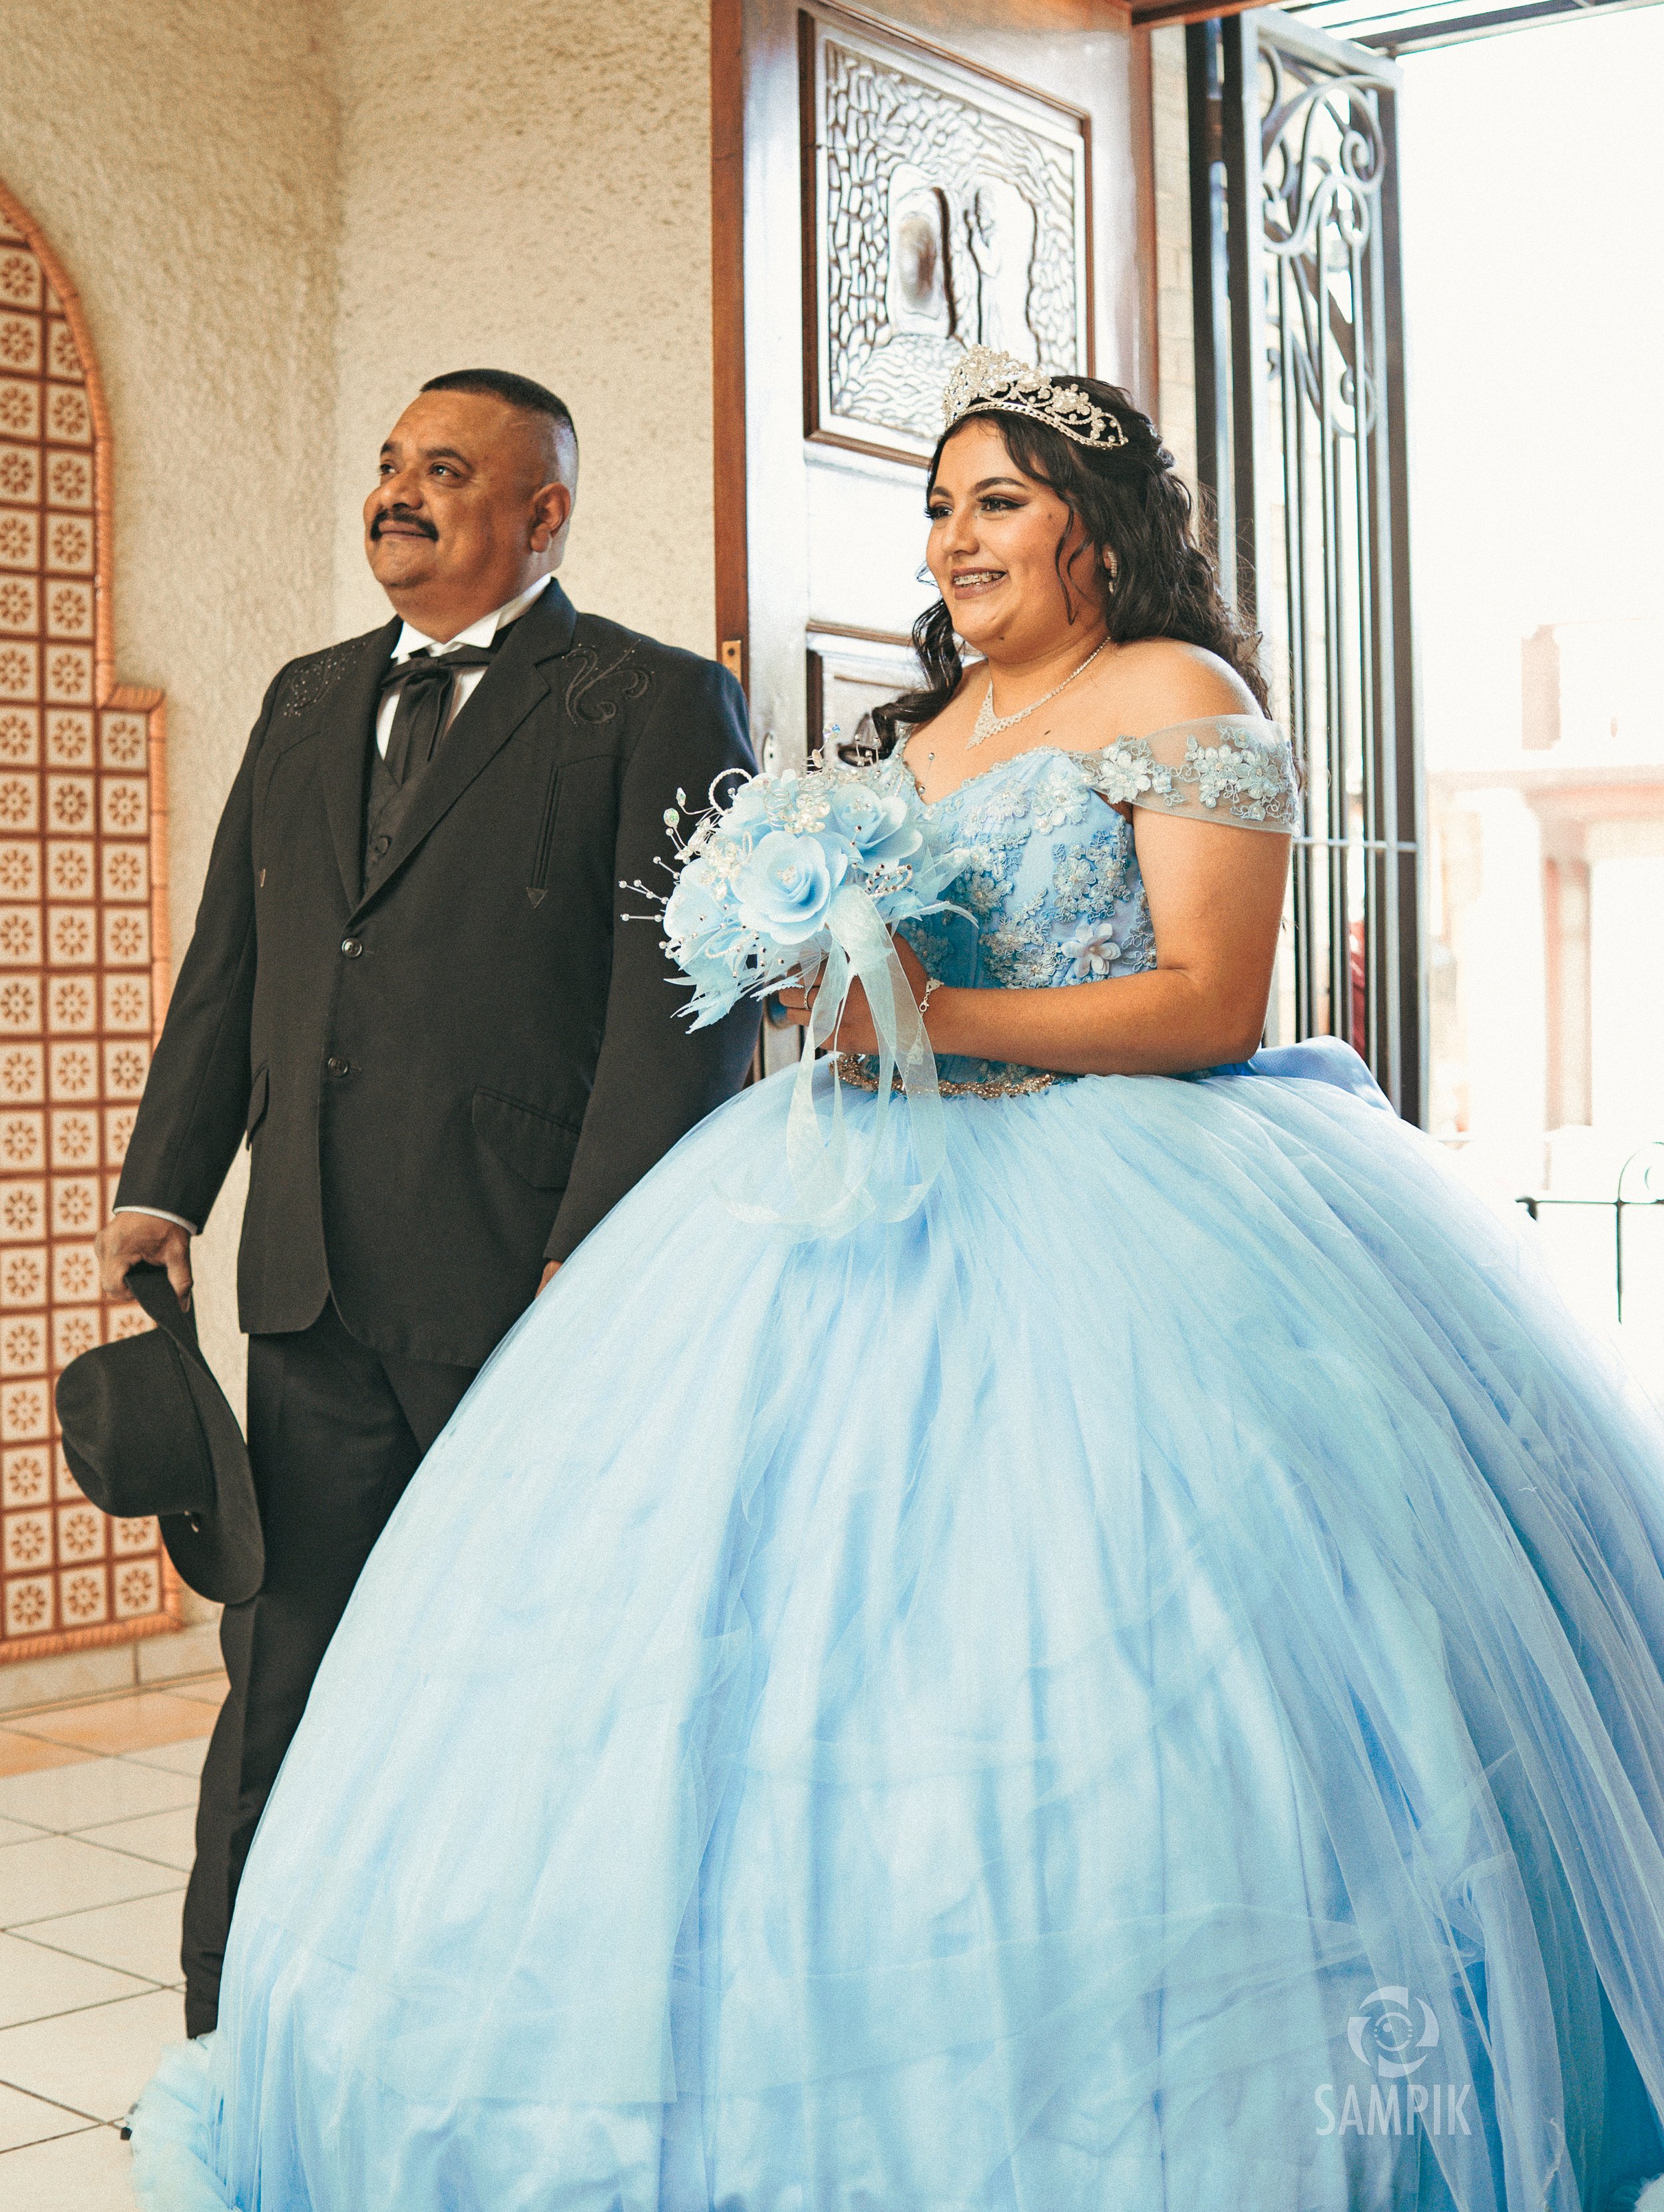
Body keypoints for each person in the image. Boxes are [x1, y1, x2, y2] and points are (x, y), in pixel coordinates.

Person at [130, 352, 1664, 2211]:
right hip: (847, 1202)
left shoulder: (1183, 695)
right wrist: (816, 990)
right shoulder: (909, 738)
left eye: (994, 501)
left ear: (1096, 530)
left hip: (1126, 1218)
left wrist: (930, 1018)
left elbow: (1207, 998)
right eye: (937, 507)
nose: (952, 539)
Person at [96, 368, 758, 2040]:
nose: (399, 492)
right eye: (390, 465)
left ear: (542, 516)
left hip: (526, 1291)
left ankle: (500, 2031)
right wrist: (163, 1186)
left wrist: (591, 1262)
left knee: (527, 1671)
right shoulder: (307, 699)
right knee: (284, 1669)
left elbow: (681, 1002)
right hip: (308, 1276)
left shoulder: (650, 698)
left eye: (445, 471)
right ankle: (232, 2033)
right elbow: (230, 970)